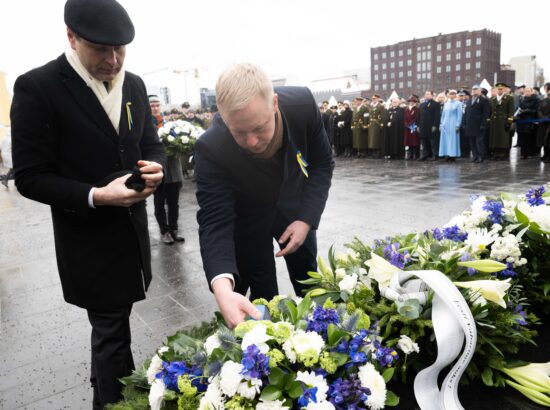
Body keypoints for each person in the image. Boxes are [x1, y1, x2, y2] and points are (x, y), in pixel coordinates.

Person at [10, 0, 166, 407]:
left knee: (113, 331)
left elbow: (150, 145)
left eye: (121, 50)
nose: (113, 60)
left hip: (132, 239)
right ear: (71, 37)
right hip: (88, 243)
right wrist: (96, 196)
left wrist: (157, 169)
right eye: (101, 49)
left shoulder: (132, 84)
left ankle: (106, 389)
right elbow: (29, 177)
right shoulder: (37, 86)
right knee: (114, 335)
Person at [194, 63, 334, 328]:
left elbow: (323, 164)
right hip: (247, 219)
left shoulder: (303, 106)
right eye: (239, 132)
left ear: (274, 103)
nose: (253, 142)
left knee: (310, 284)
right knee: (261, 302)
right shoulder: (211, 147)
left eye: (259, 128)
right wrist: (221, 287)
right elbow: (214, 220)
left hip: (295, 211)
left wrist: (306, 219)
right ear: (222, 116)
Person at [150, 95, 185, 244]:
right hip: (158, 169)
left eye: (157, 105)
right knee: (159, 202)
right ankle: (164, 231)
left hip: (173, 168)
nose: (156, 108)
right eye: (152, 105)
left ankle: (173, 229)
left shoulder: (170, 124)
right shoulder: (145, 126)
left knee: (174, 202)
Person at [462, 85, 490, 163]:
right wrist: (464, 123)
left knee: (479, 142)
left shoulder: (484, 100)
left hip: (479, 125)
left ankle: (481, 156)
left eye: (475, 89)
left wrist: (483, 124)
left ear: (480, 90)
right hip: (470, 125)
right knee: (472, 142)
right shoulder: (469, 100)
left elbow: (486, 114)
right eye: (473, 89)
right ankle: (475, 156)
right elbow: (466, 113)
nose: (474, 91)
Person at [489, 82, 515, 160]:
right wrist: (489, 119)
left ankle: (503, 154)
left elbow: (511, 111)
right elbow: (490, 111)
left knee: (503, 138)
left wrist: (509, 121)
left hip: (503, 121)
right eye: (498, 89)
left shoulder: (509, 98)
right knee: (495, 138)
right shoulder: (492, 98)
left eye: (501, 89)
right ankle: (496, 153)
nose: (500, 90)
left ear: (504, 89)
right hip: (495, 121)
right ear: (496, 90)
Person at [515, 87, 540, 159]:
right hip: (522, 121)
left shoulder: (536, 100)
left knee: (530, 138)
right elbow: (519, 108)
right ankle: (523, 153)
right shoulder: (522, 99)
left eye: (528, 91)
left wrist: (527, 110)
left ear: (532, 92)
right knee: (523, 138)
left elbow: (536, 110)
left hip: (531, 121)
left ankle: (530, 153)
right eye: (525, 91)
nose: (527, 92)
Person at [439, 90, 463, 161]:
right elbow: (443, 115)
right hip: (445, 124)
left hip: (453, 123)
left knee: (453, 139)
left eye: (453, 94)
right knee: (445, 139)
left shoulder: (458, 103)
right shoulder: (446, 103)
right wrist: (441, 124)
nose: (452, 95)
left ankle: (452, 155)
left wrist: (458, 125)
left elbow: (459, 115)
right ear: (448, 95)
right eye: (450, 94)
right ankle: (447, 154)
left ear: (455, 95)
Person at [418, 90, 441, 161]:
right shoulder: (422, 105)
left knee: (433, 142)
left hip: (431, 126)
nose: (426, 95)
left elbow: (437, 116)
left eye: (428, 94)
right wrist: (418, 125)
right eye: (425, 94)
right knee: (424, 142)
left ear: (432, 95)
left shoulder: (436, 104)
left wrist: (435, 125)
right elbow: (419, 116)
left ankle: (435, 155)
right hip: (423, 126)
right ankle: (425, 154)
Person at [367, 94, 386, 158]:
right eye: (373, 98)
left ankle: (378, 152)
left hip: (377, 123)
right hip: (372, 123)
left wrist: (381, 124)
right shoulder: (371, 106)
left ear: (378, 99)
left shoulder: (380, 106)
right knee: (372, 139)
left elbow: (383, 116)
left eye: (375, 98)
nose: (373, 99)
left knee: (377, 138)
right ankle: (373, 152)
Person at [404, 95, 420, 160]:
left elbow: (417, 117)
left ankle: (415, 154)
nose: (411, 102)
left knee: (415, 141)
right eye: (410, 101)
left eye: (413, 101)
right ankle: (410, 154)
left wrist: (411, 123)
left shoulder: (417, 109)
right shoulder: (406, 109)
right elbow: (404, 118)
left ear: (415, 102)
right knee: (408, 141)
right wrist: (406, 124)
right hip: (407, 127)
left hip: (414, 127)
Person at [537, 83, 550, 162]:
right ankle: (545, 155)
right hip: (543, 123)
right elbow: (539, 110)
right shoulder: (543, 101)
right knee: (544, 140)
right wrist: (542, 117)